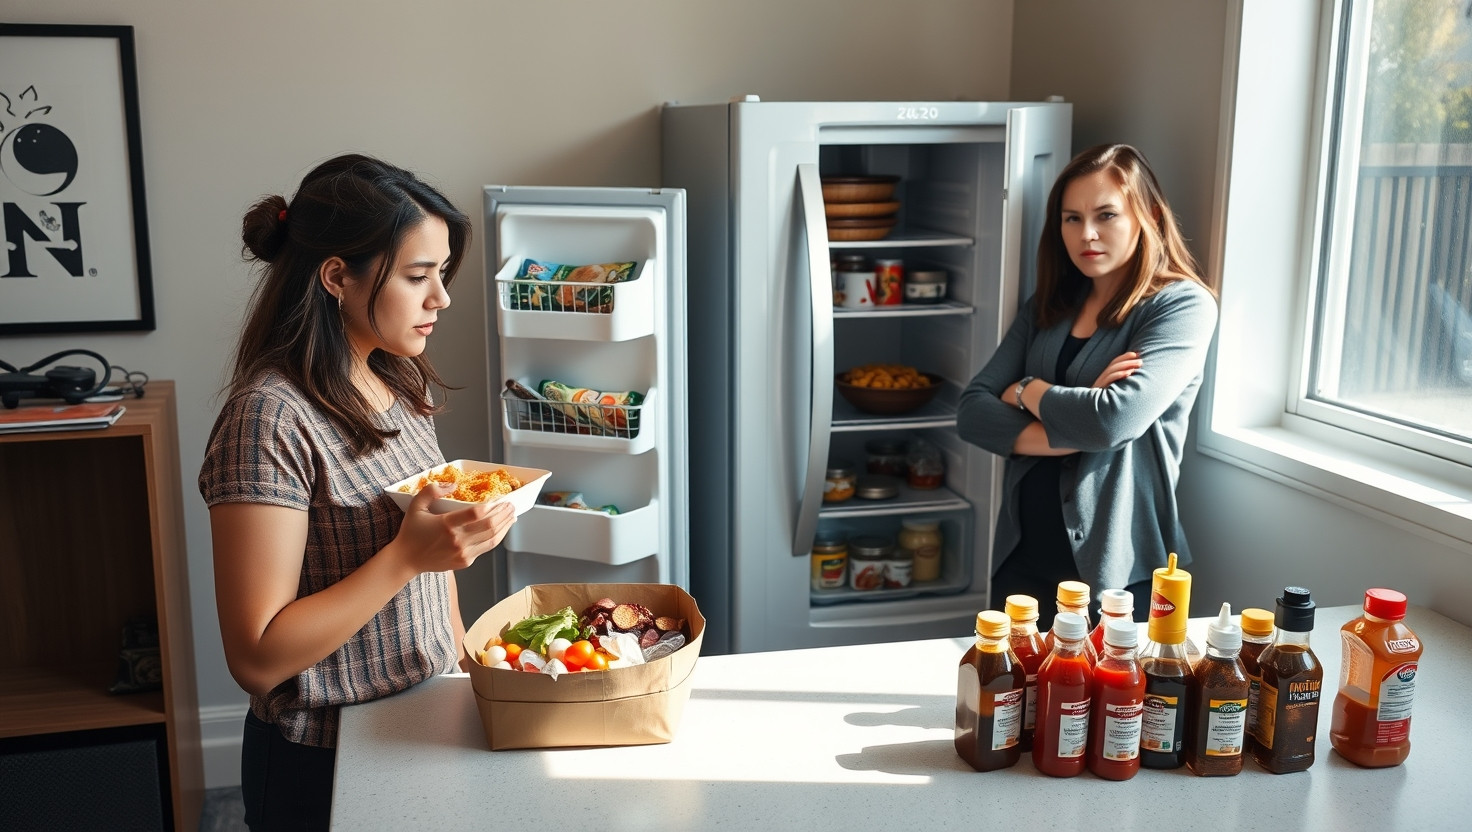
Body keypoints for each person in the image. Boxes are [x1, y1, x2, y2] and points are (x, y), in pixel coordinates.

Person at [198, 153, 515, 830]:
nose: (441, 298)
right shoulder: (269, 417)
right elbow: (256, 658)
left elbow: (431, 565)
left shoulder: (400, 379)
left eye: (442, 274)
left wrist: (468, 670)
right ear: (337, 276)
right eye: (418, 276)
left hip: (426, 718)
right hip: (325, 756)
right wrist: (406, 557)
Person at [957, 143, 1218, 630]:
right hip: (1020, 555)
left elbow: (1113, 420)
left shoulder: (1181, 306)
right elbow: (972, 412)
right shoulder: (1049, 304)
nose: (1087, 234)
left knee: (1107, 684)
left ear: (1150, 215)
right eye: (1072, 219)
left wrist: (1027, 390)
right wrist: (1077, 424)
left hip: (1117, 571)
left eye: (1106, 215)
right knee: (1008, 679)